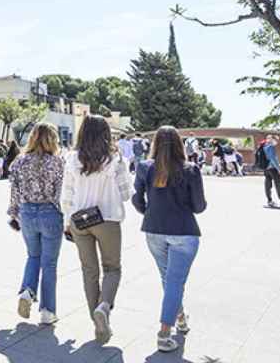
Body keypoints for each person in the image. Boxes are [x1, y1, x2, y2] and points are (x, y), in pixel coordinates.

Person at [132, 126, 207, 353]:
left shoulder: (145, 167)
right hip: (183, 231)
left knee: (168, 280)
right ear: (179, 144)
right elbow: (199, 206)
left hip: (154, 229)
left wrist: (151, 211)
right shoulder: (191, 169)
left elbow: (137, 200)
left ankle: (181, 318)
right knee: (174, 282)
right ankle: (164, 333)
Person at [61, 115, 131, 345]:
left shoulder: (71, 158)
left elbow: (66, 196)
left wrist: (67, 220)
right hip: (108, 219)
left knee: (88, 271)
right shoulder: (115, 160)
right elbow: (125, 194)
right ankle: (104, 307)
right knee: (112, 268)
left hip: (79, 221)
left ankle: (98, 324)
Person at [10, 122, 65, 326]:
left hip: (27, 213)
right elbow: (61, 193)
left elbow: (14, 191)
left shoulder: (19, 161)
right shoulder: (57, 162)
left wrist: (14, 213)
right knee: (49, 263)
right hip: (50, 212)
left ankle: (27, 291)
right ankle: (47, 311)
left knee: (33, 255)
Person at [260, 135, 280, 208]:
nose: (277, 142)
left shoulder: (263, 146)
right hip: (272, 168)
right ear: (272, 139)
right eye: (276, 140)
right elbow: (273, 159)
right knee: (278, 184)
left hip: (266, 168)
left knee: (267, 185)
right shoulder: (270, 147)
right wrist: (278, 169)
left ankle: (269, 201)